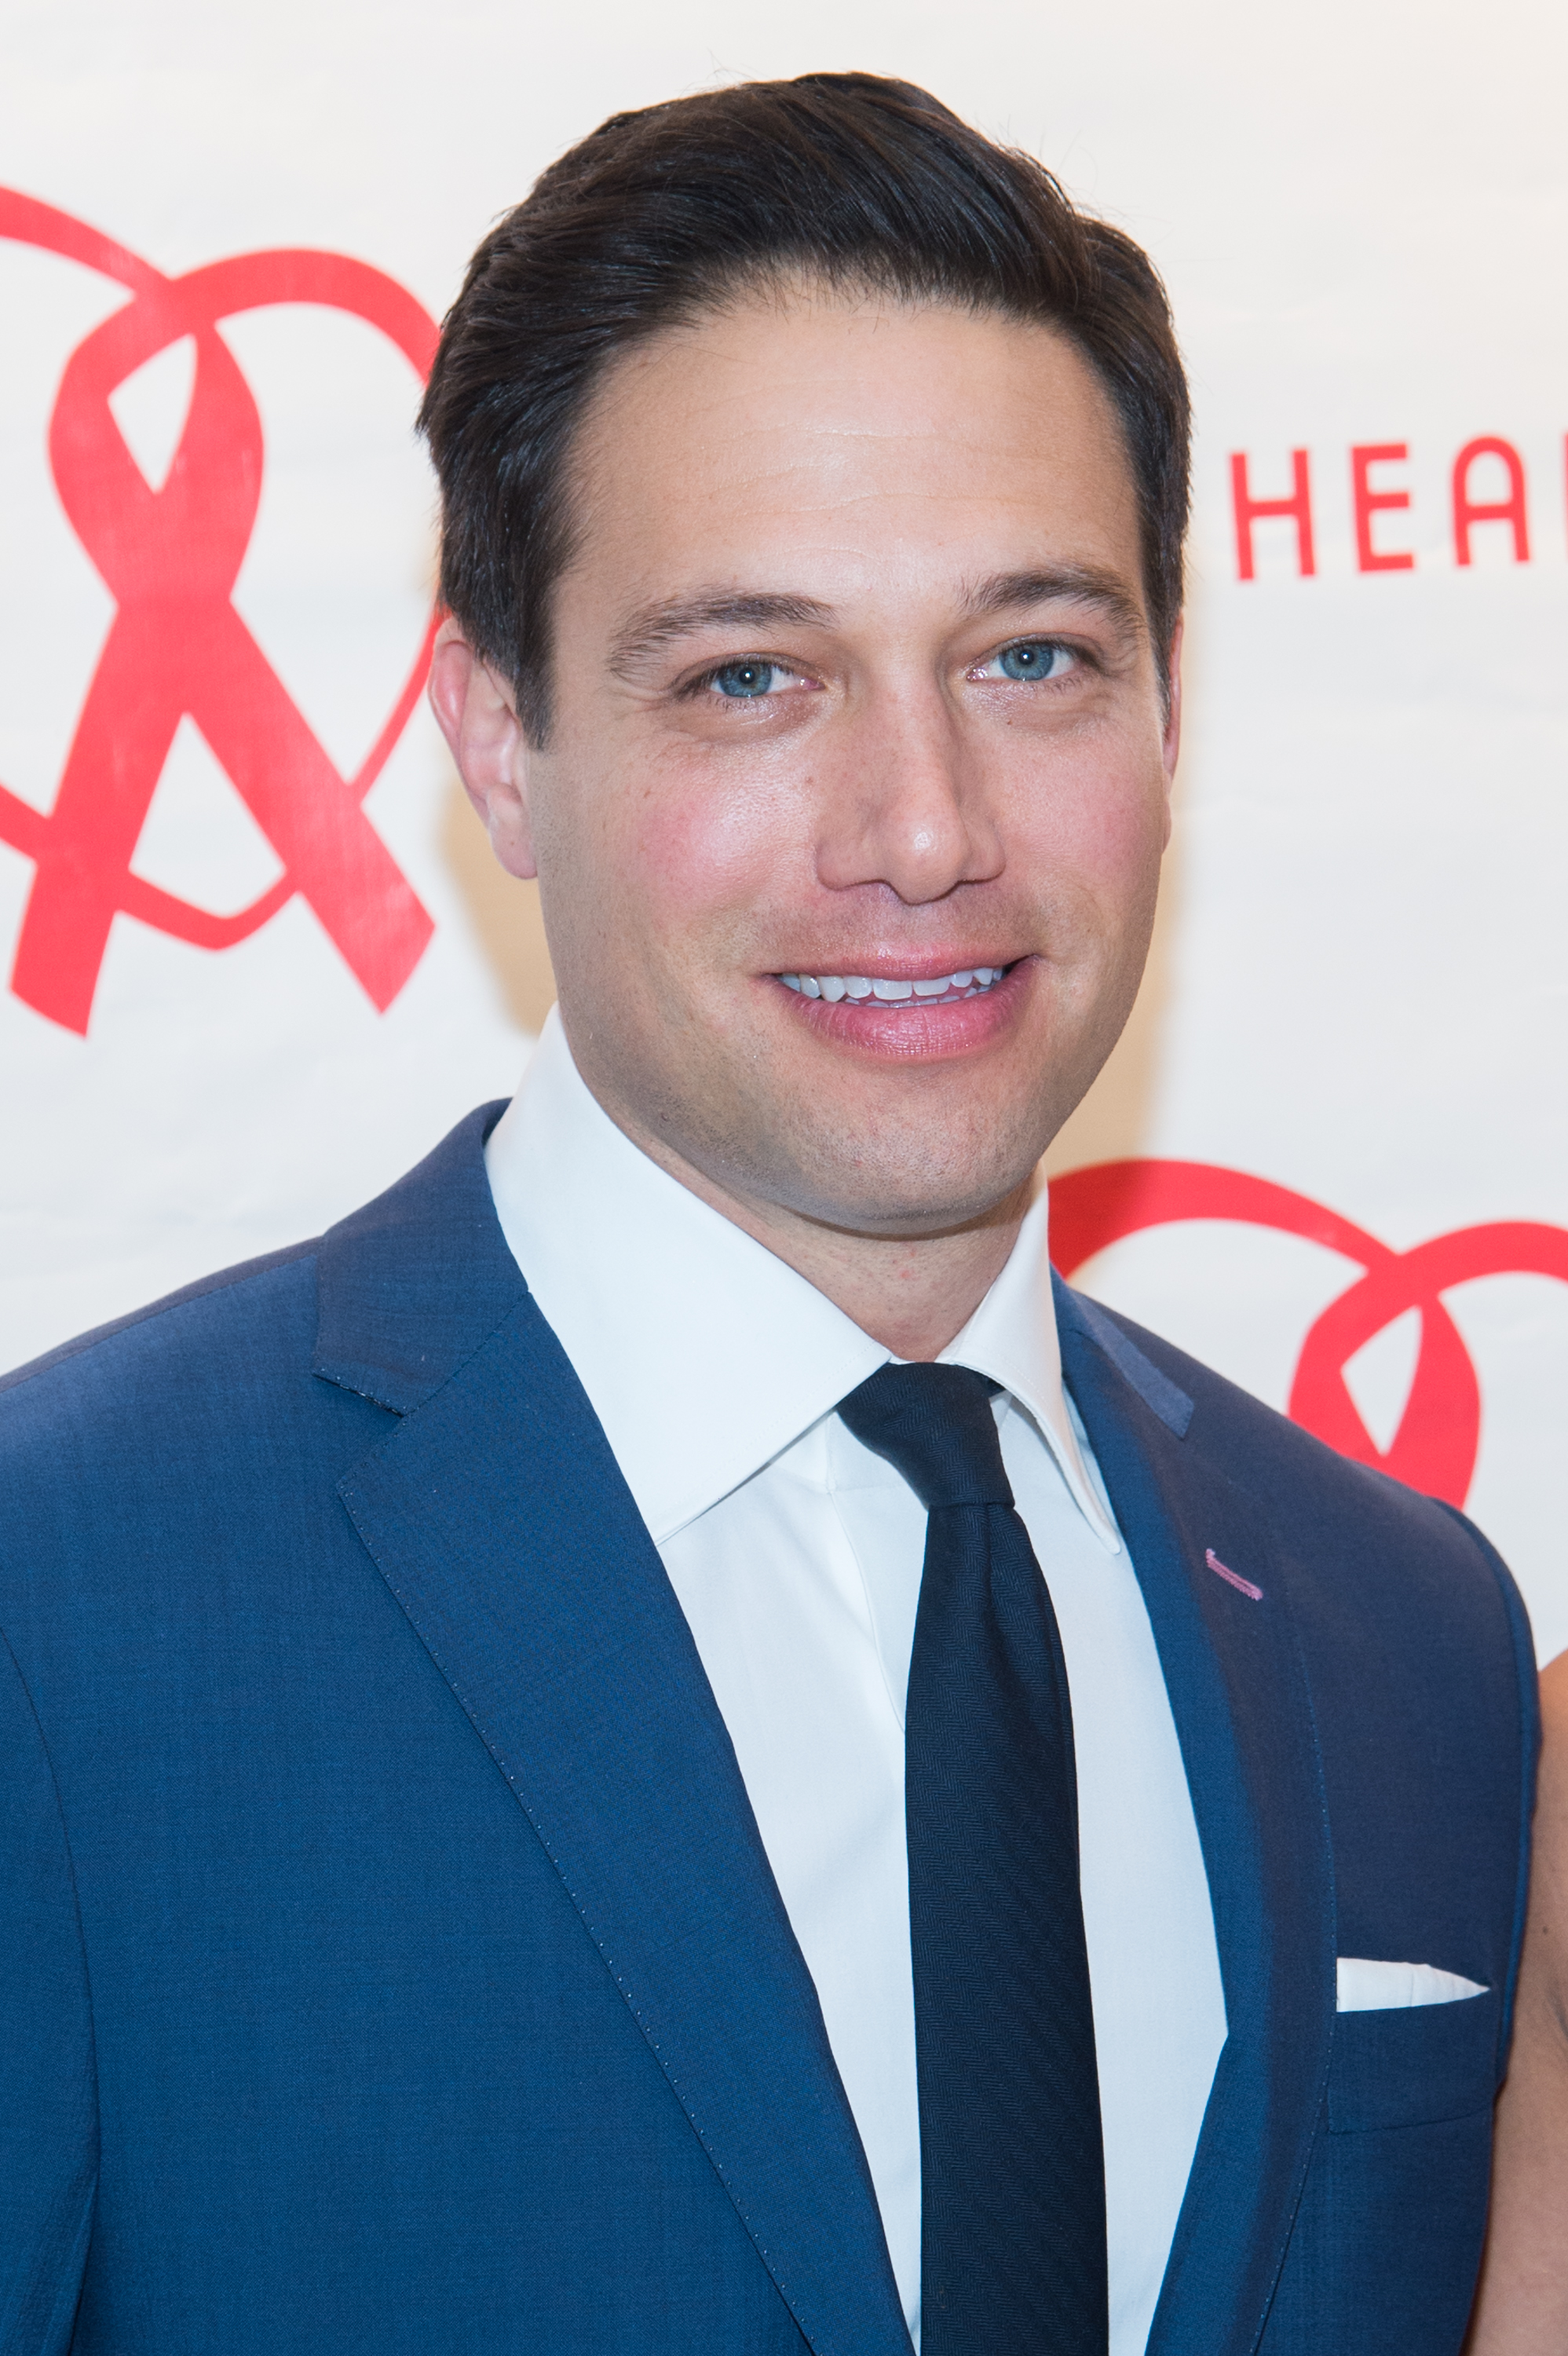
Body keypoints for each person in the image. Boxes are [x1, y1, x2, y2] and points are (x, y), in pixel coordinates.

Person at [0, 73, 1541, 2356]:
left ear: (1171, 706)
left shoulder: (1409, 1635)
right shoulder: (66, 1608)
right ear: (499, 737)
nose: (922, 829)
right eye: (751, 678)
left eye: (1033, 657)